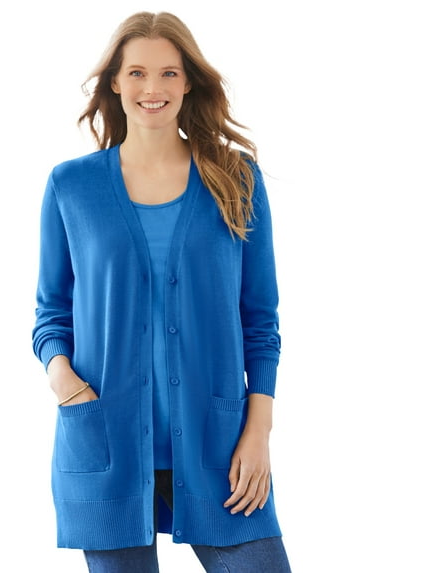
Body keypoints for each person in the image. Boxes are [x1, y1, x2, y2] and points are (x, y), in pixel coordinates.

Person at [32, 11, 291, 572]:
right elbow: (51, 312)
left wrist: (259, 430)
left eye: (169, 73)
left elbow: (259, 320)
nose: (153, 88)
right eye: (137, 73)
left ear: (189, 81)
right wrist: (65, 384)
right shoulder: (71, 186)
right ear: (115, 82)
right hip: (106, 444)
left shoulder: (236, 179)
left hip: (218, 447)